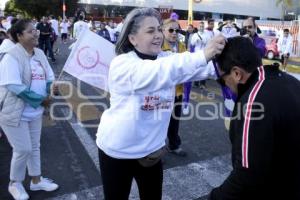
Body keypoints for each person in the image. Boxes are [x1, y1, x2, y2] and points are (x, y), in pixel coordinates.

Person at [96, 7, 225, 200]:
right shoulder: (122, 64)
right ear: (132, 38)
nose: (158, 35)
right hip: (117, 152)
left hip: (151, 153)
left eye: (158, 29)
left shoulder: (166, 58)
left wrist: (231, 59)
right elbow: (161, 72)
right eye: (150, 31)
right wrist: (203, 53)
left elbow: (200, 69)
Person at [209, 36, 300, 200]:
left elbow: (247, 174)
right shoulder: (291, 81)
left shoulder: (252, 102)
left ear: (237, 73)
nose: (224, 85)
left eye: (222, 80)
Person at [0, 19, 59, 200]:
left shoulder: (39, 53)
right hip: (14, 113)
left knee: (34, 147)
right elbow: (14, 86)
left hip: (34, 112)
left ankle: (36, 180)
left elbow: (49, 76)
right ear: (19, 36)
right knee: (23, 149)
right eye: (30, 31)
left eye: (35, 30)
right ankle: (15, 183)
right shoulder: (11, 56)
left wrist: (51, 89)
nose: (36, 33)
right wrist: (41, 100)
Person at [161, 18, 187, 156]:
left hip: (177, 91)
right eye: (171, 30)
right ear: (163, 31)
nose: (174, 33)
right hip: (162, 93)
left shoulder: (182, 46)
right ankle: (156, 150)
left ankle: (173, 144)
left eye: (177, 30)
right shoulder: (157, 46)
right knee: (160, 122)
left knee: (174, 120)